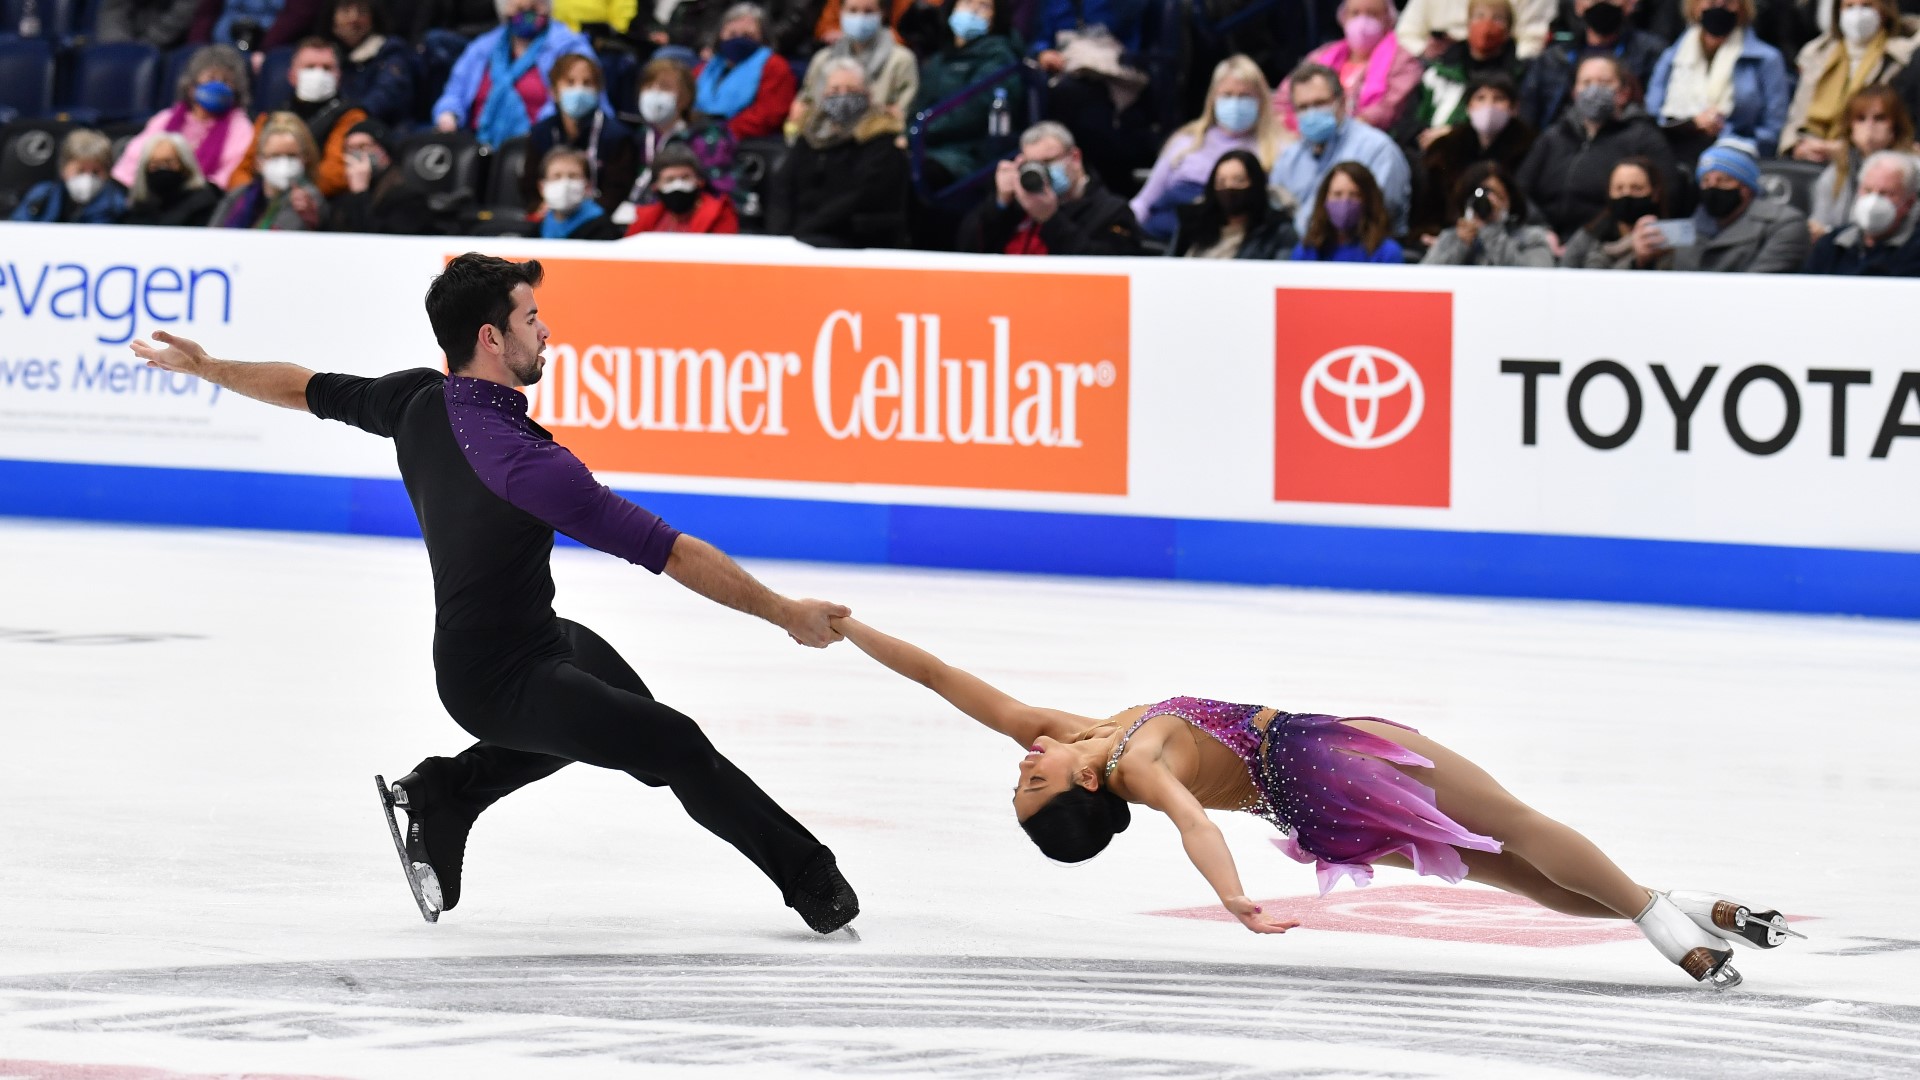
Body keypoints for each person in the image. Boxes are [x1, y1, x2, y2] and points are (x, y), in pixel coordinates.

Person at [126, 254, 862, 936]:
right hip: (497, 680)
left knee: (632, 740)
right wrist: (785, 612)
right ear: (490, 337)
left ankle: (446, 793)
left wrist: (211, 368)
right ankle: (812, 880)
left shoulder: (415, 399)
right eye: (531, 319)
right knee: (674, 745)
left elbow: (303, 387)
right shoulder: (526, 463)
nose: (546, 332)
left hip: (537, 642)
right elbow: (669, 552)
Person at [825, 614, 1795, 989]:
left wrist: (848, 629)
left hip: (1305, 811)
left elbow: (947, 679)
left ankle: (1692, 916)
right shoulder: (1134, 757)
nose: (1022, 763)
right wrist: (1234, 899)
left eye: (1018, 777)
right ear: (1082, 788)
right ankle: (1673, 934)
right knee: (1518, 825)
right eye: (1029, 782)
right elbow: (1194, 817)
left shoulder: (1076, 735)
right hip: (1325, 761)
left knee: (1514, 875)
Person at [1516, 53, 1675, 238]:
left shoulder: (1643, 137)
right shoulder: (1553, 137)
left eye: (1604, 82)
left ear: (1624, 93)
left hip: (1608, 242)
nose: (1594, 89)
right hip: (1544, 240)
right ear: (1575, 92)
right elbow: (1519, 191)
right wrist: (1541, 231)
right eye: (1586, 82)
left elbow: (1667, 195)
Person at [1130, 56, 1287, 242]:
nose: (1235, 103)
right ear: (1213, 99)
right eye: (1227, 95)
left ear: (1261, 99)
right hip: (1166, 233)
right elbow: (1145, 201)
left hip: (1233, 240)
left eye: (1244, 96)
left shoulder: (1282, 147)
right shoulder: (1185, 142)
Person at [767, 57, 911, 246]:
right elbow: (783, 187)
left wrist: (804, 232)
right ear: (823, 95)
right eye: (834, 90)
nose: (842, 97)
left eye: (851, 90)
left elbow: (863, 197)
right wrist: (780, 234)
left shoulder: (880, 140)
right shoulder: (810, 136)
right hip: (798, 237)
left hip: (851, 238)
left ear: (868, 94)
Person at [956, 120, 1145, 255]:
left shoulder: (1112, 211)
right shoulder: (1019, 203)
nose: (1041, 172)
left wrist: (1051, 219)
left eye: (1048, 162)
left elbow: (1108, 272)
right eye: (1032, 164)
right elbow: (966, 251)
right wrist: (999, 204)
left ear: (1075, 157)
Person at [432, 0, 602, 147]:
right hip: (477, 143)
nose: (527, 10)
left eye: (534, 7)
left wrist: (543, 129)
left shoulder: (569, 46)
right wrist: (449, 114)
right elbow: (454, 93)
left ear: (549, 6)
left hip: (541, 146)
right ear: (504, 8)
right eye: (520, 9)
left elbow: (585, 97)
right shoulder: (482, 47)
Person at [1274, 62, 1412, 235]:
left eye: (1320, 103)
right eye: (1303, 107)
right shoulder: (1289, 157)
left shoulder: (1377, 149)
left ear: (1342, 101)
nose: (1311, 113)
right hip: (1299, 255)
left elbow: (1377, 215)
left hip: (1361, 252)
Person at [224, 38, 370, 198]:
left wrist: (293, 194)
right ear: (292, 75)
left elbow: (335, 173)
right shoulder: (270, 116)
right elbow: (242, 171)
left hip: (318, 203)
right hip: (264, 200)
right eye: (310, 67)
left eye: (327, 68)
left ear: (338, 76)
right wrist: (253, 195)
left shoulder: (350, 115)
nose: (318, 74)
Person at [1646, 0, 1791, 161]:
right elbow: (1653, 114)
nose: (1719, 6)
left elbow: (1773, 128)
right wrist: (1691, 124)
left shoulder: (1767, 59)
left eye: (1728, 3)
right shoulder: (1672, 56)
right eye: (1711, 2)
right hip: (1676, 149)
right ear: (1694, 6)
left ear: (1742, 8)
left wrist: (1724, 133)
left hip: (1739, 155)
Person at [1783, 0, 1920, 161]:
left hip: (1871, 157)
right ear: (1838, 11)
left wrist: (1843, 150)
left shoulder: (1905, 57)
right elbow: (1798, 113)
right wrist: (1796, 146)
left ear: (1884, 11)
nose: (1857, 14)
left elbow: (1897, 124)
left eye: (1867, 6)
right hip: (1810, 154)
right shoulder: (1816, 54)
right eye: (1850, 6)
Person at [111, 45, 255, 192]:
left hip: (203, 202)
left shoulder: (240, 127)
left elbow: (232, 173)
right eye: (211, 79)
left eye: (226, 81)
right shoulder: (165, 118)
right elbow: (134, 160)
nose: (218, 86)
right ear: (192, 86)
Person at [911, 0, 1023, 187]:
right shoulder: (939, 58)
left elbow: (973, 111)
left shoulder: (1000, 56)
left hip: (969, 153)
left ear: (996, 17)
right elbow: (918, 104)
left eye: (984, 6)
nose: (974, 11)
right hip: (928, 145)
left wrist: (921, 131)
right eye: (967, 2)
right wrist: (910, 132)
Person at [1413, 70, 1537, 238]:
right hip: (1450, 234)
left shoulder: (1531, 147)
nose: (1489, 106)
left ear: (1514, 107)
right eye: (1480, 98)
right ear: (1468, 107)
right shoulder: (1445, 149)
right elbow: (1428, 206)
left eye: (1499, 98)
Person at [616, 58, 740, 223]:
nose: (654, 94)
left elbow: (721, 191)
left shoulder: (707, 135)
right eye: (648, 87)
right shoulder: (642, 135)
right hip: (641, 216)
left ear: (685, 97)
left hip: (691, 220)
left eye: (664, 88)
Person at [1659, 137, 1812, 269]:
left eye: (1724, 180)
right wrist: (1643, 259)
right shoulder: (1690, 227)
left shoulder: (1785, 224)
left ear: (1746, 188)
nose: (1712, 188)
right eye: (1705, 181)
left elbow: (1758, 284)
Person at [1277, 0, 1426, 135]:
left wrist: (1344, 131)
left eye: (1372, 14)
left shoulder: (1404, 61)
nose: (1362, 21)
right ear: (1343, 18)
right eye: (1355, 13)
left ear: (1389, 19)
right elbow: (1284, 97)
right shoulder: (1323, 55)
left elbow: (1388, 109)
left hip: (1365, 139)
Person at [1519, 0, 1668, 128]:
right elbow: (1528, 116)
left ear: (1631, 3)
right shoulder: (1553, 58)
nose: (1601, 3)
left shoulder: (1652, 52)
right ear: (1577, 5)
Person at [787, 0, 920, 140]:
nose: (860, 17)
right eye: (853, 10)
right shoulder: (822, 59)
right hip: (823, 142)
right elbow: (803, 108)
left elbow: (901, 116)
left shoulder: (901, 60)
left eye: (868, 11)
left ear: (882, 14)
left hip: (875, 143)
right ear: (841, 13)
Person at [520, 53, 636, 212]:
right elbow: (530, 186)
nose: (579, 89)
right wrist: (542, 209)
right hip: (548, 217)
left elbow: (617, 191)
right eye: (570, 82)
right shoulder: (541, 132)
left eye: (587, 83)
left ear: (599, 90)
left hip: (598, 222)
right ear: (554, 91)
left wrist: (585, 218)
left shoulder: (617, 136)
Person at [1408, 0, 1532, 144]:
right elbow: (1410, 117)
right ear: (1467, 24)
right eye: (1479, 16)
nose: (1486, 25)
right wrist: (1422, 137)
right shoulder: (1440, 69)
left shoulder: (1519, 76)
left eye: (1497, 19)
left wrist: (1452, 134)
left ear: (1509, 31)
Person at [1810, 84, 1914, 236]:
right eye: (1861, 119)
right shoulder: (1836, 172)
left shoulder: (1913, 171)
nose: (1869, 127)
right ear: (1850, 128)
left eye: (1879, 119)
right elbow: (1818, 223)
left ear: (1895, 126)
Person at [1167, 149, 1300, 258]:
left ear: (1256, 184)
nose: (1229, 188)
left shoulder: (1277, 230)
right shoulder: (1192, 223)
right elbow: (1168, 266)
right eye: (1221, 182)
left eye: (1239, 181)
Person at [1806, 148, 1920, 272]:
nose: (1873, 200)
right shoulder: (1832, 244)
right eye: (1868, 190)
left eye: (1885, 193)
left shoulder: (1915, 250)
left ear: (1909, 202)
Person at [207, 111, 328, 229]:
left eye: (291, 155)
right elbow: (211, 235)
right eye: (275, 156)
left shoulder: (308, 200)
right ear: (259, 161)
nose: (283, 163)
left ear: (305, 158)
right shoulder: (239, 195)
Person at [694, 4, 798, 139]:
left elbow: (768, 115)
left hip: (741, 139)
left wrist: (725, 131)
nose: (738, 39)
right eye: (732, 34)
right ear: (720, 35)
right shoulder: (705, 68)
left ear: (762, 37)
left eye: (747, 35)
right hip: (699, 133)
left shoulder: (775, 67)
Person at [1421, 159, 1555, 262]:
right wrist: (1460, 245)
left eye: (1496, 195)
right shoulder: (1451, 239)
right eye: (1480, 195)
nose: (1487, 202)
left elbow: (1539, 281)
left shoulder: (1533, 239)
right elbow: (1425, 283)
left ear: (1510, 199)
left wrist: (1493, 231)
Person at [1558, 154, 1676, 267]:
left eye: (1636, 188)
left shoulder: (1668, 240)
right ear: (1609, 192)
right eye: (1619, 189)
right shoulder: (1589, 236)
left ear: (1655, 193)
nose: (1626, 194)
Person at [329, 119, 438, 233]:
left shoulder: (407, 190)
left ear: (384, 150)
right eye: (349, 148)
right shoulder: (345, 191)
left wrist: (360, 195)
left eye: (363, 146)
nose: (356, 154)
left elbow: (382, 238)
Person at [326, 0, 417, 127]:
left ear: (373, 18)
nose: (354, 18)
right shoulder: (323, 53)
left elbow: (386, 95)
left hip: (385, 130)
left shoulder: (390, 51)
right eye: (346, 11)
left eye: (362, 11)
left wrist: (353, 115)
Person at [1292, 161, 1406, 261]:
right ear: (1324, 199)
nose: (1345, 202)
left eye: (1354, 195)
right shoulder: (1307, 250)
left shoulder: (1387, 252)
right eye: (1337, 194)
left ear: (1369, 200)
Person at [10, 130, 128, 225]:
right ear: (63, 168)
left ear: (108, 173)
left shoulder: (119, 205)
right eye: (80, 171)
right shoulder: (41, 196)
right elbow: (16, 231)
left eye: (96, 172)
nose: (88, 178)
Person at [625, 144, 742, 232]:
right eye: (669, 180)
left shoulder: (719, 214)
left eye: (685, 178)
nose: (678, 185)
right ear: (655, 186)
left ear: (700, 181)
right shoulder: (646, 218)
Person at [123, 133, 224, 226]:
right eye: (155, 163)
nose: (162, 168)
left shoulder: (205, 201)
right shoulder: (140, 204)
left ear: (185, 164)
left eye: (169, 162)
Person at [1396, 0, 1555, 58]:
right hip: (1439, 65)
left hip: (1502, 66)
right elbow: (1406, 32)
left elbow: (1531, 43)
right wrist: (1424, 50)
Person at [529, 146, 624, 237]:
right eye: (556, 176)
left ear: (587, 185)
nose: (565, 184)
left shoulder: (602, 228)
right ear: (542, 187)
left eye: (573, 176)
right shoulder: (538, 228)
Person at [95, 0, 198, 48]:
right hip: (126, 40)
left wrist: (141, 49)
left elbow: (180, 16)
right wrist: (121, 48)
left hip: (171, 47)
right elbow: (114, 12)